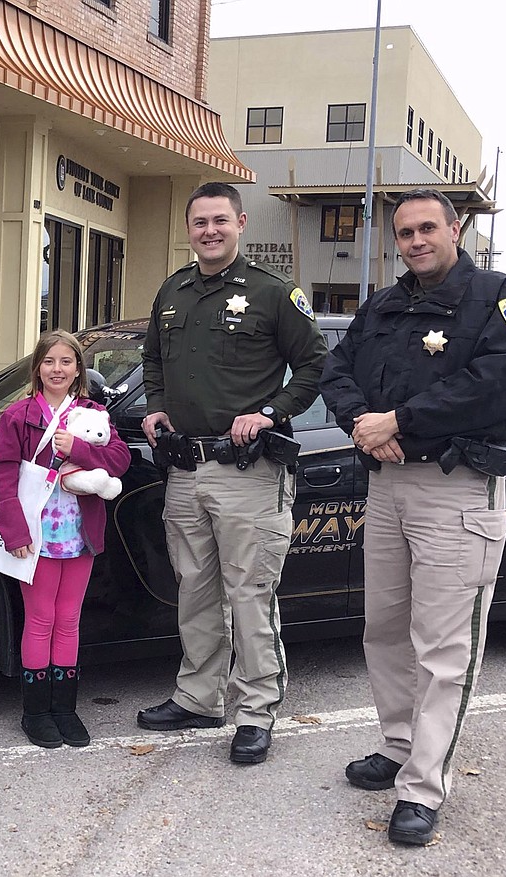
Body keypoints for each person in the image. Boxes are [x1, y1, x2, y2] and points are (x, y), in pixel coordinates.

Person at [319, 188, 506, 845]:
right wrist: (364, 422)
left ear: (455, 227)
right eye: (404, 232)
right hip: (387, 486)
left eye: (426, 229)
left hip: (456, 488)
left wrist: (402, 420)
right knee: (384, 627)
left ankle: (422, 785)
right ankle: (398, 743)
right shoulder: (384, 305)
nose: (414, 240)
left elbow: (493, 383)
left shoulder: (496, 299)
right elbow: (336, 369)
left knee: (443, 647)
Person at [136, 182, 327, 765]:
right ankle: (199, 697)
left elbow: (315, 364)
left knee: (250, 595)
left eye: (221, 220)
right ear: (189, 228)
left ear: (241, 223)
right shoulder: (173, 291)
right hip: (186, 469)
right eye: (200, 222)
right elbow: (152, 360)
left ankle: (255, 711)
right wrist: (156, 406)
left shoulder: (272, 295)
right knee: (195, 590)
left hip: (249, 469)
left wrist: (270, 412)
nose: (210, 231)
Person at [0, 330, 131, 748]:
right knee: (41, 618)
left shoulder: (91, 412)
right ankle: (35, 713)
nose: (57, 369)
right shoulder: (19, 415)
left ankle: (64, 709)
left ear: (78, 370)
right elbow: (0, 475)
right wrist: (13, 530)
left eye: (66, 362)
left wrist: (81, 451)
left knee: (69, 619)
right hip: (35, 533)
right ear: (37, 368)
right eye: (49, 361)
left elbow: (120, 459)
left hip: (79, 532)